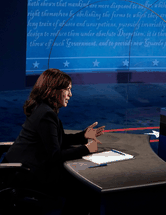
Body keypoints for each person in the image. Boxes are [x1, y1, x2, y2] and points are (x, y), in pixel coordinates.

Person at [2, 68, 105, 214]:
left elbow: (57, 140)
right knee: (84, 189)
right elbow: (55, 155)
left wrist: (83, 136)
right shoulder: (46, 114)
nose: (70, 94)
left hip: (23, 169)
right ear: (53, 91)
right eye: (67, 89)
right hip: (26, 174)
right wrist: (86, 149)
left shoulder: (43, 109)